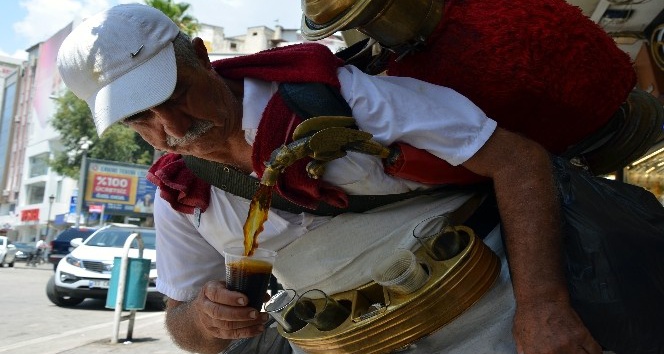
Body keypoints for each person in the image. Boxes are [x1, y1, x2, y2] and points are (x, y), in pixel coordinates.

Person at [55, 4, 658, 354]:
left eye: (175, 95)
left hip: (501, 331)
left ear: (198, 52)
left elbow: (517, 160)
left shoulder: (334, 95)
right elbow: (182, 320)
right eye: (141, 118)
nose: (172, 127)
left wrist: (545, 307)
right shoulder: (182, 193)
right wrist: (203, 320)